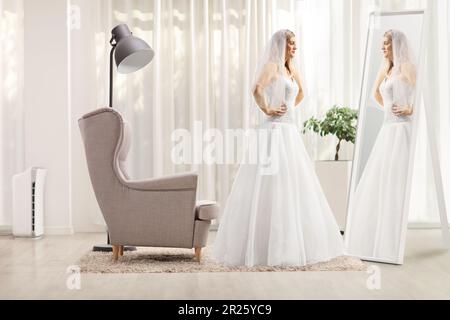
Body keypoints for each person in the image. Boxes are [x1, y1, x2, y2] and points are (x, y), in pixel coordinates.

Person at [213, 30, 345, 267]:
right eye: (291, 44)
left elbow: (302, 92)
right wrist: (268, 110)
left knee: (292, 185)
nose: (294, 48)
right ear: (280, 45)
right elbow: (256, 89)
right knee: (270, 185)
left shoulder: (290, 69)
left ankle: (292, 244)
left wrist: (288, 108)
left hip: (289, 131)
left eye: (295, 44)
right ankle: (264, 246)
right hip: (273, 132)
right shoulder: (272, 66)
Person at [345, 30, 417, 262]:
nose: (382, 48)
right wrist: (388, 106)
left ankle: (393, 239)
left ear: (396, 45)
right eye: (382, 44)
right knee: (381, 180)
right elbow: (375, 94)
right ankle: (377, 236)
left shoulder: (406, 67)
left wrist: (409, 109)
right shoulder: (386, 68)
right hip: (388, 128)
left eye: (386, 44)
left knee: (395, 181)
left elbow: (420, 93)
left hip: (401, 128)